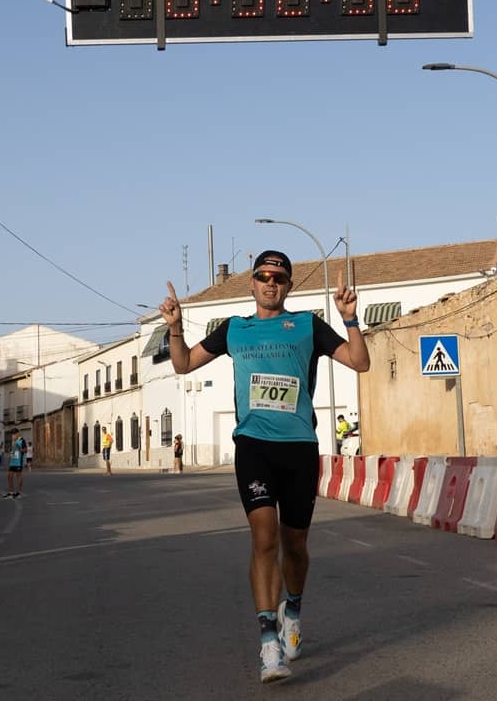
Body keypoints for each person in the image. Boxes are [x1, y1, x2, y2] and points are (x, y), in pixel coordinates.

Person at [160, 250, 370, 683]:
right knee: (264, 538)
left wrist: (350, 318)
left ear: (289, 285)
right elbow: (182, 364)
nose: (270, 282)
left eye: (279, 277)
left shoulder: (308, 325)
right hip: (253, 445)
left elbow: (359, 361)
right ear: (251, 283)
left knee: (295, 545)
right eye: (263, 276)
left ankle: (292, 609)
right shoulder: (234, 329)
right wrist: (175, 328)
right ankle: (269, 642)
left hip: (300, 447)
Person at [5, 429, 26, 498]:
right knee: (9, 476)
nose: (13, 436)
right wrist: (10, 453)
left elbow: (25, 450)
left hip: (18, 462)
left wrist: (19, 448)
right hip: (12, 462)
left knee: (18, 476)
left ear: (18, 434)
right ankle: (11, 492)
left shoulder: (22, 440)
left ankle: (19, 492)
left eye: (14, 434)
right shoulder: (13, 441)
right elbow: (13, 451)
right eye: (12, 434)